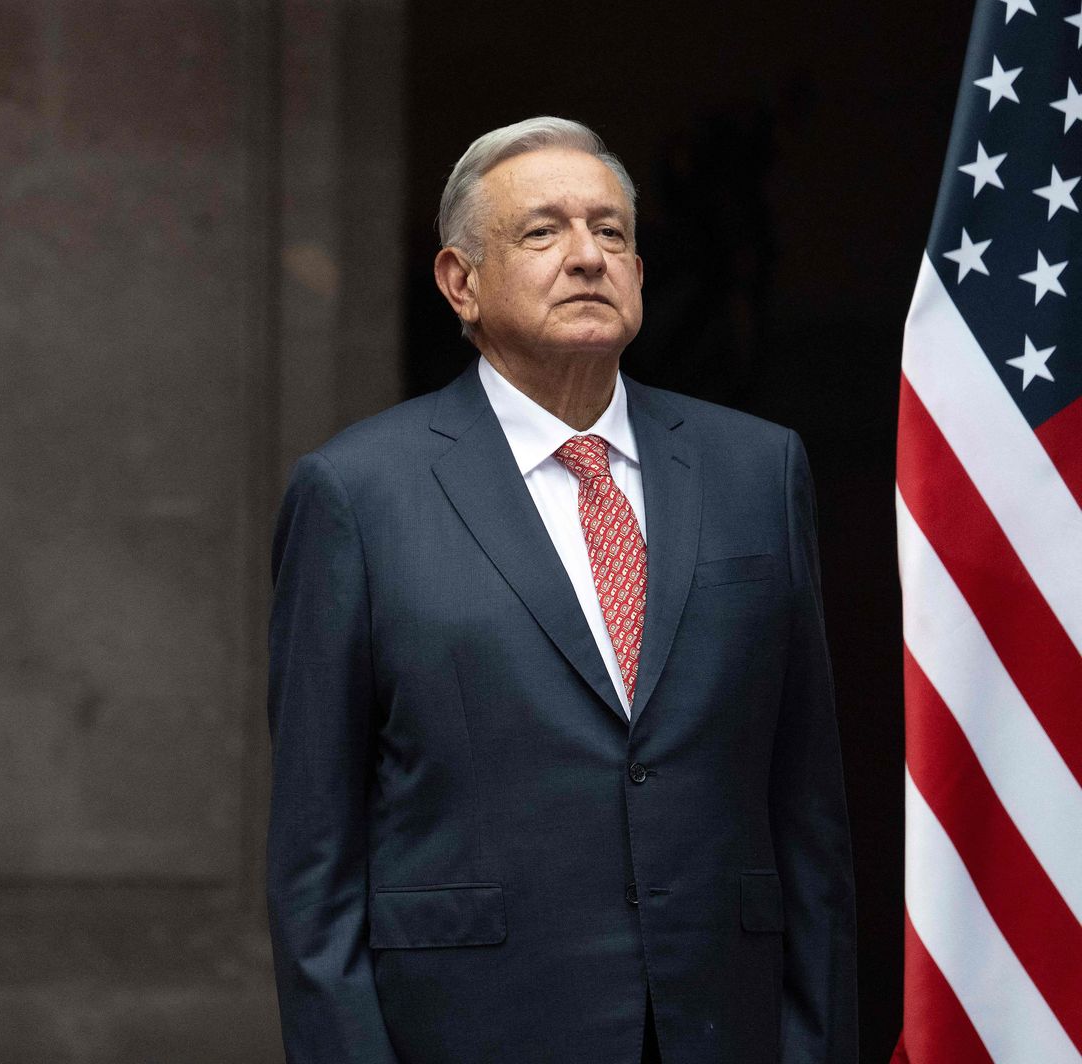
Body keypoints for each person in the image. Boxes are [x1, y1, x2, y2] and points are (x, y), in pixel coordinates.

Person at [265, 116, 856, 1064]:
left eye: (612, 232)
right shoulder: (358, 492)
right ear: (460, 281)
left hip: (722, 1024)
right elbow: (313, 863)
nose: (588, 256)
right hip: (473, 1028)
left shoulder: (758, 469)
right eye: (543, 232)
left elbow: (809, 817)